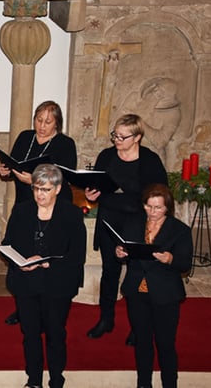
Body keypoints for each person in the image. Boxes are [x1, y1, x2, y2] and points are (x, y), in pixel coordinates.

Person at [84, 114, 168, 342]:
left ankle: (137, 326)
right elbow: (96, 187)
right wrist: (91, 194)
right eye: (115, 134)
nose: (117, 139)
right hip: (110, 222)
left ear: (137, 137)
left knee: (135, 275)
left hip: (137, 224)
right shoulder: (107, 156)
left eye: (122, 136)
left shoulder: (149, 160)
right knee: (109, 273)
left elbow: (160, 194)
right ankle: (106, 319)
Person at [2, 164, 86, 388]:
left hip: (57, 283)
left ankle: (57, 378)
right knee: (30, 333)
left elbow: (77, 255)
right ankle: (34, 379)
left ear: (57, 189)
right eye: (37, 188)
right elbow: (7, 244)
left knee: (55, 333)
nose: (40, 194)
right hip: (26, 282)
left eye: (46, 189)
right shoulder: (22, 211)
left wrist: (47, 262)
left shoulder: (71, 214)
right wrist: (20, 263)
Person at [0, 100, 77, 326]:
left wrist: (32, 178)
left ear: (57, 124)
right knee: (21, 253)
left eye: (48, 122)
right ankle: (23, 307)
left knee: (45, 256)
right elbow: (12, 166)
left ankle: (45, 310)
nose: (42, 125)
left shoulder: (65, 144)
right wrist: (6, 170)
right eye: (38, 120)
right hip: (25, 205)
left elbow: (64, 177)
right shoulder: (25, 137)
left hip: (53, 208)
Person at [115, 184, 192, 388]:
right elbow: (126, 249)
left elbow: (185, 263)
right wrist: (120, 252)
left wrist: (170, 259)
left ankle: (169, 384)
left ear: (167, 207)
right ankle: (143, 384)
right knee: (142, 342)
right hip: (137, 291)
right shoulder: (133, 224)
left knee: (165, 344)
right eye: (149, 206)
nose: (153, 212)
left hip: (165, 294)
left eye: (158, 208)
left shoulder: (179, 230)